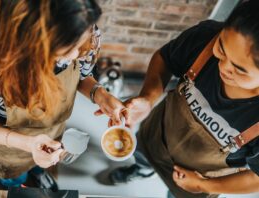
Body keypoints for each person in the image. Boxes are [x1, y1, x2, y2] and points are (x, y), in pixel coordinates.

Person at [109, 0, 259, 197]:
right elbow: (165, 59)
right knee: (142, 154)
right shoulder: (204, 38)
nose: (223, 67)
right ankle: (144, 169)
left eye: (239, 69)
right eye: (221, 49)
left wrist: (202, 185)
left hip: (197, 177)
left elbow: (255, 179)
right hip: (157, 135)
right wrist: (148, 97)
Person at [0, 0, 125, 189]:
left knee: (41, 166)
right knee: (15, 179)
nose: (74, 56)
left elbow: (82, 73)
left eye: (79, 45)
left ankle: (39, 173)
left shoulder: (82, 26)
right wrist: (29, 144)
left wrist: (99, 94)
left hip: (53, 131)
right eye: (64, 51)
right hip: (9, 148)